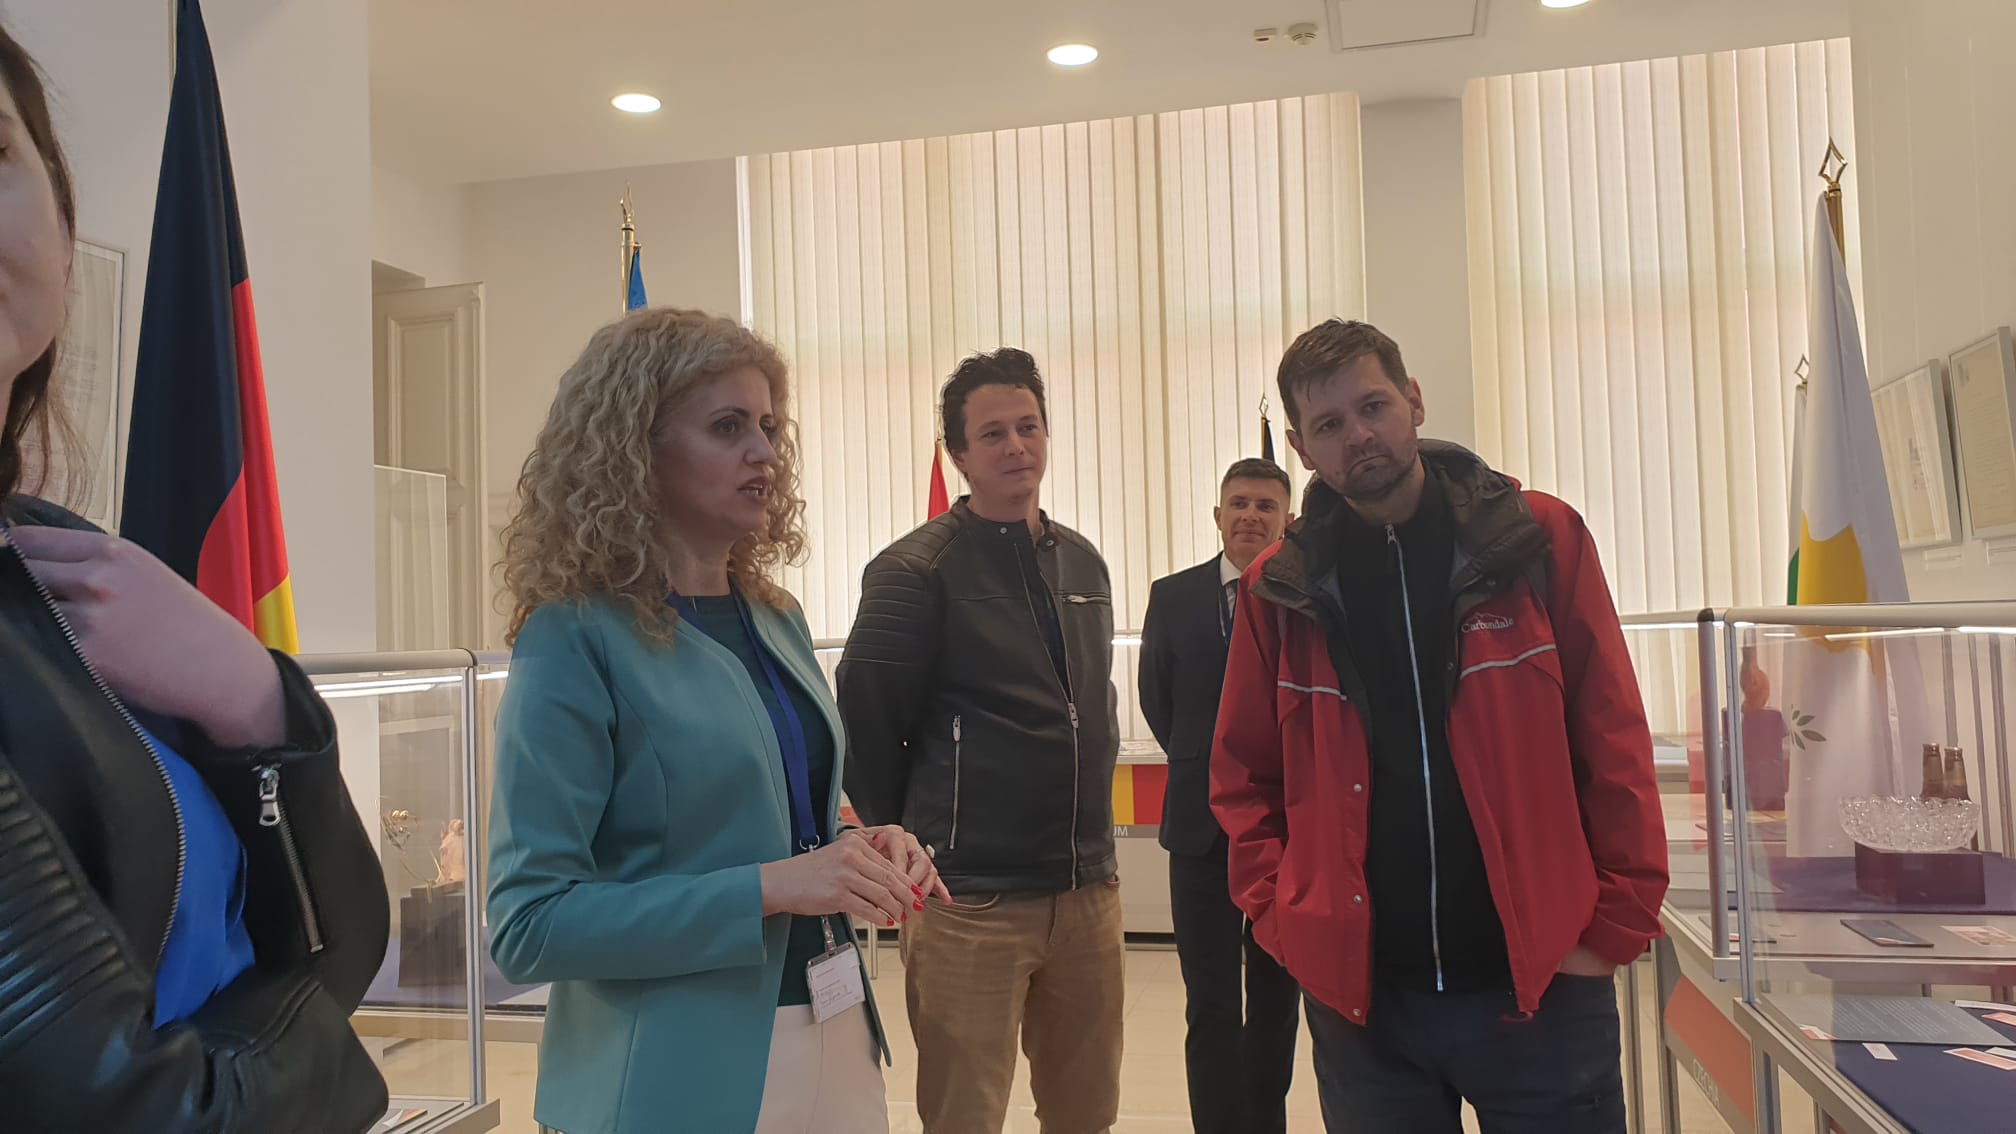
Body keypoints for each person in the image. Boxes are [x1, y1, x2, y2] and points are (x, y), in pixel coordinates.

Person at [0, 24, 390, 1132]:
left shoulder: (72, 566)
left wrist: (258, 700)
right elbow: (157, 1114)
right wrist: (332, 1063)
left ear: (64, 231)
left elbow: (348, 939)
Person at [486, 308, 946, 1134]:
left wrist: (857, 847)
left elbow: (777, 817)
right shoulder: (574, 637)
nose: (765, 452)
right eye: (728, 427)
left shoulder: (777, 617)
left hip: (836, 1032)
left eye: (768, 426)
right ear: (636, 450)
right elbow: (530, 927)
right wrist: (773, 888)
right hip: (670, 1074)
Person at [1211, 319, 1669, 1134]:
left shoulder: (1537, 539)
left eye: (1373, 407)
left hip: (1541, 991)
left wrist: (1614, 924)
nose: (1359, 436)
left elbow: (1613, 739)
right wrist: (1286, 920)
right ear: (1302, 448)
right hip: (1366, 1011)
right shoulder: (1278, 590)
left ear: (1414, 401)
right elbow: (1244, 777)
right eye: (1329, 424)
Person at [838, 348, 1124, 1134]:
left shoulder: (1083, 562)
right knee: (965, 1117)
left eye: (1028, 427)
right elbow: (864, 725)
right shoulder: (912, 572)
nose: (1016, 446)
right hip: (970, 902)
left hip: (1087, 891)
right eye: (993, 434)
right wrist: (923, 844)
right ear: (959, 455)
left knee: (1087, 1114)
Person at [1138, 457, 1300, 1134]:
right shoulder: (1173, 596)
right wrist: (1208, 764)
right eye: (1239, 503)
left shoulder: (1306, 594)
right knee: (1210, 1003)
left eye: (1265, 505)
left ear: (1288, 520)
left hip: (1286, 833)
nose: (1250, 516)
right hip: (1198, 830)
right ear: (1217, 515)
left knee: (1275, 1000)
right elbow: (1157, 699)